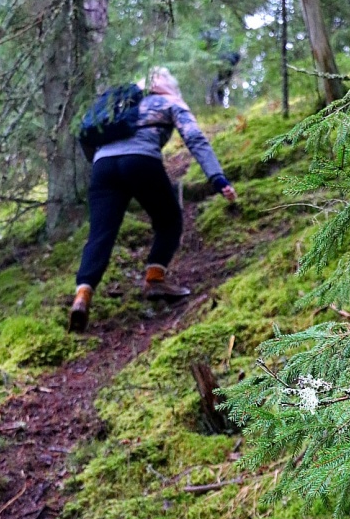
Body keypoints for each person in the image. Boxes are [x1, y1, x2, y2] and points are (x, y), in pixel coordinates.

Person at [69, 67, 237, 333]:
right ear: (170, 85)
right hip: (141, 161)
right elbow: (194, 138)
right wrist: (218, 179)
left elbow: (88, 134)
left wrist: (102, 163)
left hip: (102, 167)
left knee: (100, 235)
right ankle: (155, 278)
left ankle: (83, 294)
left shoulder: (120, 105)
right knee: (169, 220)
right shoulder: (170, 101)